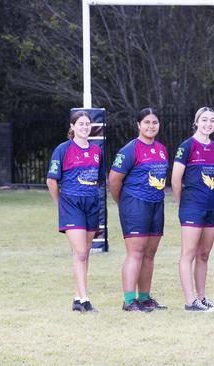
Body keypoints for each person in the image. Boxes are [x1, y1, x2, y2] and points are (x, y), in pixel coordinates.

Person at [109, 107, 169, 312]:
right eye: (147, 122)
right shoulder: (129, 150)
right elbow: (114, 180)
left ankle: (144, 298)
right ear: (138, 125)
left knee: (149, 253)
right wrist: (124, 202)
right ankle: (129, 301)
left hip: (156, 204)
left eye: (154, 122)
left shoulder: (161, 148)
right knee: (136, 252)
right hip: (135, 205)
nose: (151, 126)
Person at [47, 111, 105, 313]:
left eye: (88, 124)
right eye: (80, 123)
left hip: (91, 205)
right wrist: (59, 203)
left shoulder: (97, 151)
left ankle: (77, 297)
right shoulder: (63, 150)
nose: (85, 127)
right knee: (80, 252)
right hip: (71, 205)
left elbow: (98, 180)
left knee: (84, 253)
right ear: (72, 127)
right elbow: (51, 181)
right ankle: (85, 300)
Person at [171, 107, 214, 312]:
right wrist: (182, 203)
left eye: (212, 120)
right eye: (204, 120)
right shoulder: (187, 146)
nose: (208, 124)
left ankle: (201, 298)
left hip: (212, 206)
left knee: (204, 254)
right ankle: (190, 301)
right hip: (192, 207)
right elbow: (175, 180)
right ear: (196, 122)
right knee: (189, 253)